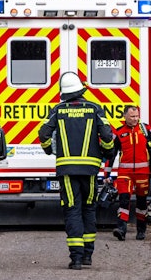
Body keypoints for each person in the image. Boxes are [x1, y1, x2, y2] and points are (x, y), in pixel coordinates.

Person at [38, 72, 115, 269]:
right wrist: (108, 152)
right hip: (90, 170)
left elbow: (44, 134)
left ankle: (77, 259)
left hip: (67, 170)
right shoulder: (95, 109)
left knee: (72, 210)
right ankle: (88, 255)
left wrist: (48, 150)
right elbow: (107, 137)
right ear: (81, 90)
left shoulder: (58, 110)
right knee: (89, 209)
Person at [108, 105, 151, 241]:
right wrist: (107, 174)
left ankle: (141, 230)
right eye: (132, 116)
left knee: (141, 202)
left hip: (142, 173)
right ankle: (121, 229)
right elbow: (111, 155)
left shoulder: (145, 130)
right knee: (124, 199)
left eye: (137, 116)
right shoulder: (119, 132)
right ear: (125, 116)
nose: (135, 119)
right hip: (124, 173)